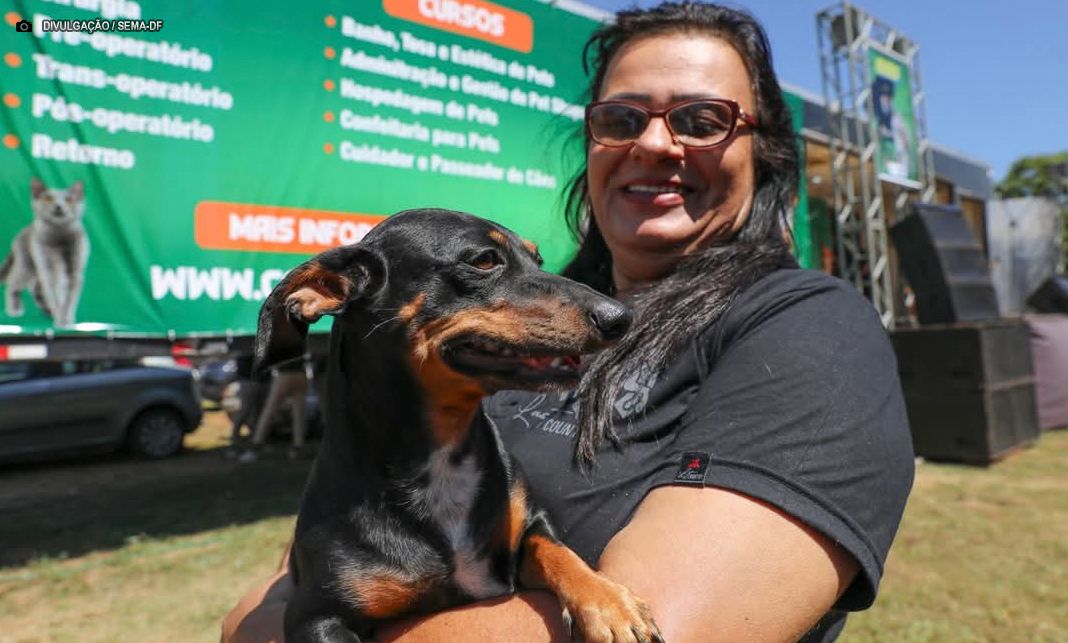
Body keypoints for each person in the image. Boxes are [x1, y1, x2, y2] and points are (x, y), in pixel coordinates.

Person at [221, 2, 914, 641]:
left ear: (764, 152)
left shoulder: (806, 328)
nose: (655, 143)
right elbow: (277, 597)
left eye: (703, 120)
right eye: (622, 119)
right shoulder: (509, 347)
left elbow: (664, 628)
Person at [238, 352, 313, 462]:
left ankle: (256, 445)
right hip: (300, 373)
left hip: (284, 374)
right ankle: (298, 447)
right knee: (299, 413)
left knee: (269, 411)